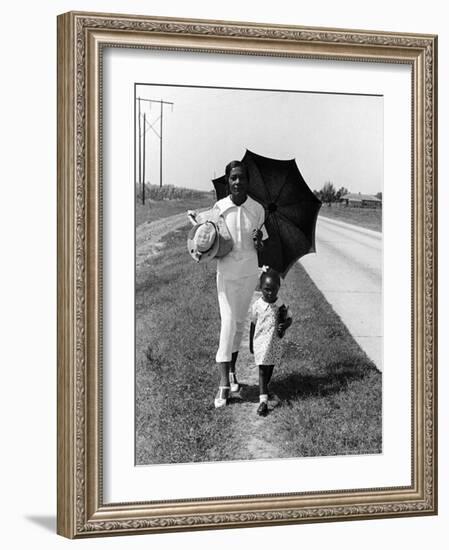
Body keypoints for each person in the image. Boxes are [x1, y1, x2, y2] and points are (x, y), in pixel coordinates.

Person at [212, 160, 268, 408]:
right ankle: (224, 384)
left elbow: (262, 244)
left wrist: (259, 241)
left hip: (248, 274)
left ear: (248, 181)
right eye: (233, 178)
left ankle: (233, 372)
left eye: (241, 178)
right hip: (226, 274)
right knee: (227, 323)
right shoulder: (219, 208)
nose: (237, 182)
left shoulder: (257, 209)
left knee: (238, 323)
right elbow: (212, 242)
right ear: (228, 181)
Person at [249, 267, 292, 416]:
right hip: (261, 343)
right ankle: (263, 402)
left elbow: (289, 318)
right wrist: (250, 343)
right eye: (266, 289)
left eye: (274, 290)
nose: (270, 293)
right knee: (262, 369)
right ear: (260, 288)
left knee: (270, 368)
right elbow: (253, 324)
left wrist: (285, 324)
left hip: (274, 343)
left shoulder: (280, 304)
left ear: (279, 288)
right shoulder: (257, 305)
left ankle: (265, 389)